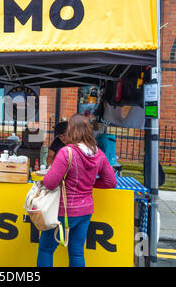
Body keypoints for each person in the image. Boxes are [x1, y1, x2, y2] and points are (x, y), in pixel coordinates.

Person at [37, 114, 117, 267]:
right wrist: (90, 183)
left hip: (63, 211)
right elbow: (111, 181)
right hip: (85, 211)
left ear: (72, 130)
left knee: (46, 250)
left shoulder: (67, 152)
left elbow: (50, 183)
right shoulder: (98, 153)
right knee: (77, 253)